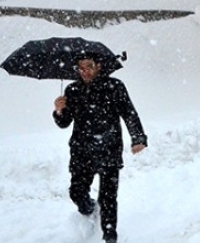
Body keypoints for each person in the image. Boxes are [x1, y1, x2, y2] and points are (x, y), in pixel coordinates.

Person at [53, 53, 147, 243]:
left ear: (99, 66)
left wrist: (138, 137)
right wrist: (59, 110)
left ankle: (109, 236)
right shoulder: (72, 90)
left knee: (108, 198)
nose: (84, 71)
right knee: (76, 193)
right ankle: (90, 210)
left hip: (109, 148)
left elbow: (129, 112)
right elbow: (64, 123)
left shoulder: (114, 87)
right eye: (80, 68)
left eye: (88, 66)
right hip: (81, 150)